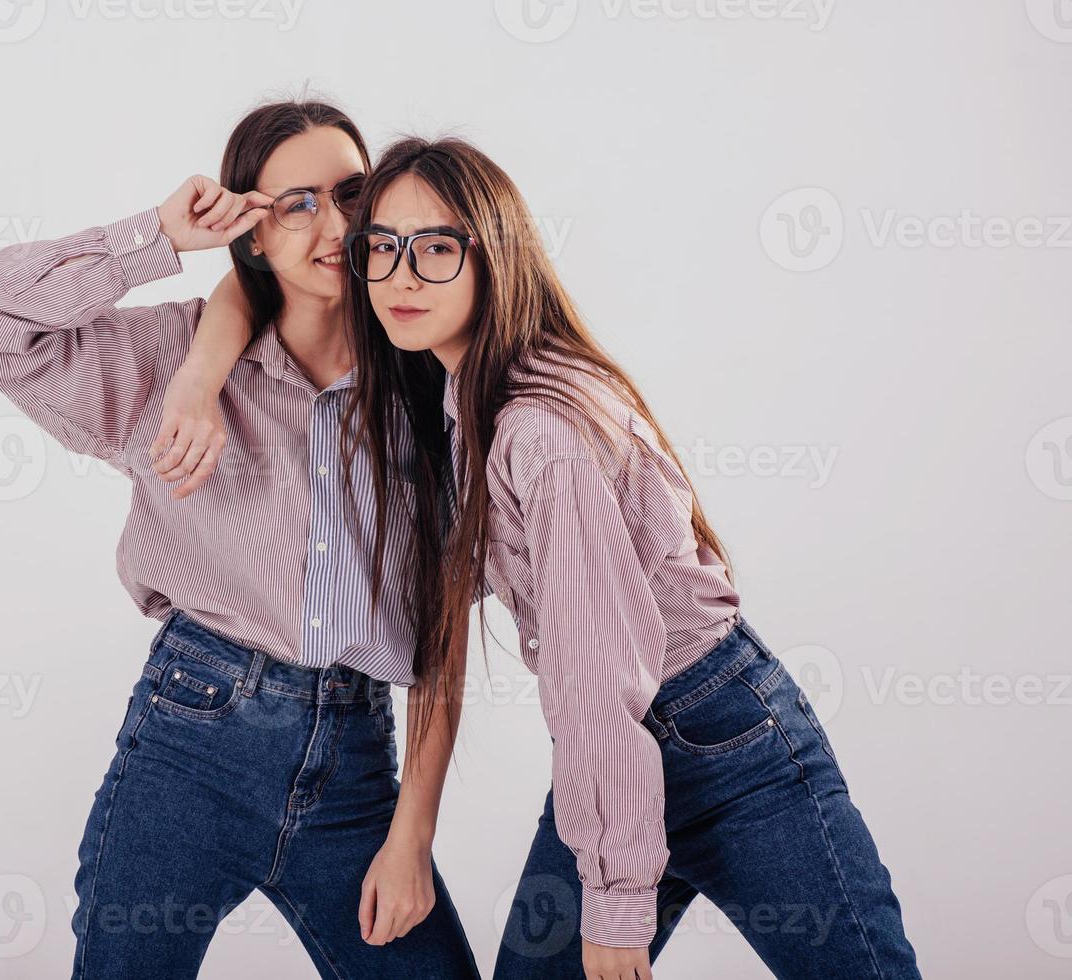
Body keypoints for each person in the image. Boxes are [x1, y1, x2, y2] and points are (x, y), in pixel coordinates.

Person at [339, 135, 922, 979]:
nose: (402, 275)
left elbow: (594, 666)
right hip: (616, 760)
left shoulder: (542, 429)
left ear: (495, 257)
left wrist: (614, 901)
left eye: (436, 247)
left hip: (724, 742)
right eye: (381, 249)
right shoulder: (472, 401)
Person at [0, 101, 480, 980]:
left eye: (352, 194)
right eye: (296, 204)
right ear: (250, 234)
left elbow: (445, 626)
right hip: (192, 746)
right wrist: (157, 235)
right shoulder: (169, 362)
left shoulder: (432, 380)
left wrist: (413, 833)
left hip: (355, 763)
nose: (336, 225)